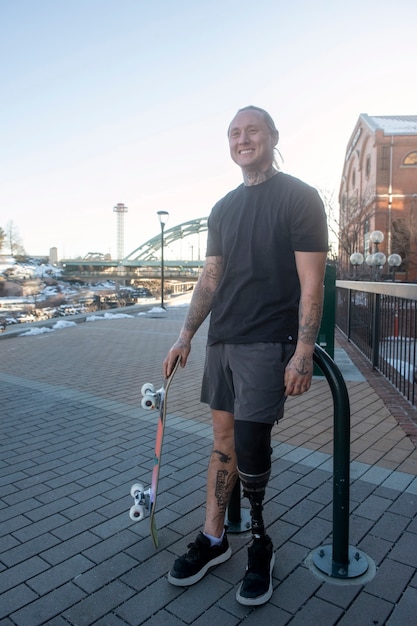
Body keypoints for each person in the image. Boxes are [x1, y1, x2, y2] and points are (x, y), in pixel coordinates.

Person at [163, 105, 328, 606]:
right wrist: (186, 334)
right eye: (234, 133)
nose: (242, 139)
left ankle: (260, 544)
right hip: (222, 340)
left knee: (253, 447)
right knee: (223, 441)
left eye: (252, 130)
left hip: (267, 341)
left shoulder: (299, 197)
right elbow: (210, 277)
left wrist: (303, 349)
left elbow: (311, 280)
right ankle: (214, 539)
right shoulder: (223, 208)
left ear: (273, 137)